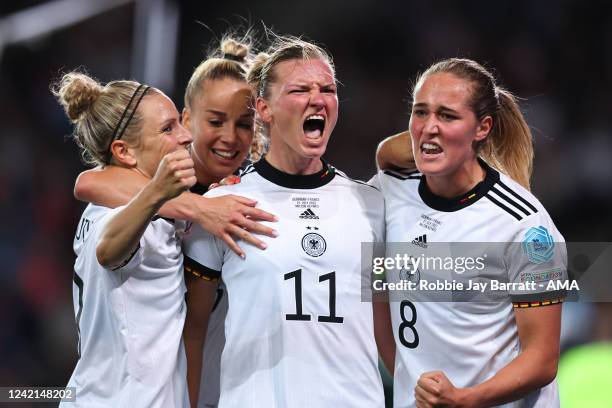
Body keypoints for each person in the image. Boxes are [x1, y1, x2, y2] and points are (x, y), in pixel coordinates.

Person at [182, 35, 390, 407]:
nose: (317, 98)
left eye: (327, 89)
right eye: (299, 89)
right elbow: (193, 330)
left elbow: (386, 323)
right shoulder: (220, 206)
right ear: (264, 108)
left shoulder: (371, 205)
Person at [73, 37, 275, 408]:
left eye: (245, 124)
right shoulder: (144, 204)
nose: (230, 137)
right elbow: (90, 188)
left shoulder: (247, 194)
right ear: (188, 119)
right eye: (214, 121)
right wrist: (197, 208)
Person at [374, 58, 567, 407]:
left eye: (447, 115)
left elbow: (542, 359)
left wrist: (464, 400)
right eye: (420, 112)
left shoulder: (525, 226)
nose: (429, 126)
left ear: (483, 128)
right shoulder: (391, 191)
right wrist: (407, 378)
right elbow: (377, 298)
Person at [53, 72, 195, 406]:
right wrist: (157, 193)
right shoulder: (128, 217)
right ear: (124, 152)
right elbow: (109, 251)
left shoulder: (105, 205)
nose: (186, 136)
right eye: (168, 128)